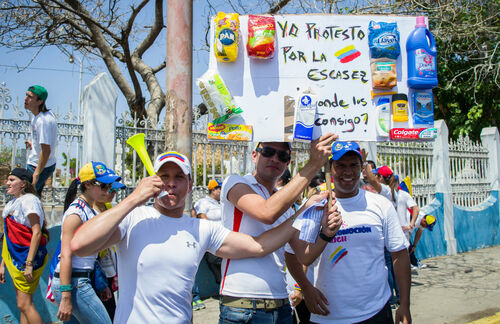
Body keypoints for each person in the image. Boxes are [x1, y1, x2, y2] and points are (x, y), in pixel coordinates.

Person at [70, 150, 342, 323]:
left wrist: (303, 212)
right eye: (164, 176)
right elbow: (79, 244)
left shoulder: (201, 229)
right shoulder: (133, 218)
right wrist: (132, 199)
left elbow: (259, 246)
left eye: (179, 177)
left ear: (189, 184)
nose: (171, 183)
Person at [286, 141, 412, 323]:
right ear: (330, 169)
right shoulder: (316, 206)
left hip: (376, 312)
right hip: (326, 316)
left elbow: (399, 254)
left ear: (361, 167)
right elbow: (291, 255)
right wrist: (305, 288)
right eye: (340, 165)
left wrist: (405, 304)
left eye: (354, 165)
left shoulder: (381, 205)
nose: (348, 172)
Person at [218, 133, 338, 323]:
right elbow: (266, 213)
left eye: (283, 156)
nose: (275, 159)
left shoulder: (286, 208)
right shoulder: (236, 182)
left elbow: (304, 256)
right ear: (254, 155)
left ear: (287, 163)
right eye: (268, 152)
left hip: (281, 305)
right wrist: (313, 164)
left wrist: (326, 233)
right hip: (242, 304)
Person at [51, 162, 119, 323]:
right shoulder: (76, 213)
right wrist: (66, 296)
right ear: (87, 185)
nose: (108, 190)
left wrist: (100, 283)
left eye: (109, 186)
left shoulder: (89, 210)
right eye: (103, 186)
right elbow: (66, 256)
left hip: (81, 279)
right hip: (74, 283)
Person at [0, 168, 49, 324]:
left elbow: (36, 233)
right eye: (8, 180)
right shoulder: (13, 202)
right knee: (24, 304)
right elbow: (8, 237)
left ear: (23, 183)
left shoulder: (29, 200)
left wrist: (28, 264)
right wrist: (3, 263)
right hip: (15, 259)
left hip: (26, 258)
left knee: (24, 304)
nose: (7, 183)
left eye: (12, 180)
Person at [93, 176, 126, 321]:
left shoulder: (109, 207)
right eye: (110, 190)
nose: (113, 194)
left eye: (114, 191)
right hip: (96, 271)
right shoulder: (91, 212)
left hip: (108, 268)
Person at [191, 178, 223, 311]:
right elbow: (201, 216)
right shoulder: (203, 202)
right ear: (213, 190)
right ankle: (195, 297)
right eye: (220, 188)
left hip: (221, 240)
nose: (222, 191)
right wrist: (213, 231)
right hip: (209, 241)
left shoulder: (221, 204)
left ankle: (222, 288)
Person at [24, 85, 57, 196]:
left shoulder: (42, 121)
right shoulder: (38, 117)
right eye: (26, 95)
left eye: (30, 97)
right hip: (39, 164)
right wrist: (33, 144)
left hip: (37, 166)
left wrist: (37, 174)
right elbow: (45, 142)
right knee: (33, 199)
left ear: (40, 101)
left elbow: (46, 150)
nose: (25, 99)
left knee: (27, 198)